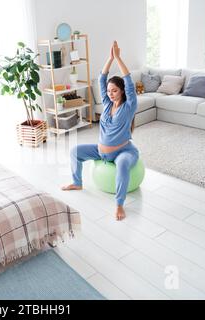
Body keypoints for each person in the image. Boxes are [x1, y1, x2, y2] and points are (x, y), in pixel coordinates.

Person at [62, 41, 139, 221]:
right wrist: (110, 58)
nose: (110, 93)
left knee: (121, 165)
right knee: (75, 151)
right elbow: (101, 78)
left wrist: (118, 58)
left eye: (114, 91)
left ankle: (119, 204)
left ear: (122, 92)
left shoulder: (129, 106)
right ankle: (77, 183)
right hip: (101, 151)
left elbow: (128, 80)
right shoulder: (106, 104)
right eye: (109, 91)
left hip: (124, 151)